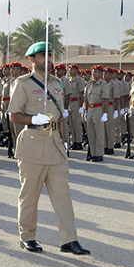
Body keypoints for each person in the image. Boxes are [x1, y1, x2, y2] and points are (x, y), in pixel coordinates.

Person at [8, 41, 89, 255]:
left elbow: (60, 115)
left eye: (49, 55)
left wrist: (64, 139)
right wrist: (33, 118)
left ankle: (69, 239)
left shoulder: (57, 84)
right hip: (33, 144)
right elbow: (14, 114)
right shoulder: (22, 83)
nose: (48, 59)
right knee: (29, 195)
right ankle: (27, 236)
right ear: (32, 59)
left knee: (63, 195)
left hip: (55, 144)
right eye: (42, 55)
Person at [83, 65, 109, 162]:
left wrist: (105, 113)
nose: (94, 73)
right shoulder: (89, 84)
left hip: (98, 109)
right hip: (90, 109)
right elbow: (86, 99)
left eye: (96, 72)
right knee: (90, 133)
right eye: (93, 71)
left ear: (101, 73)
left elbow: (106, 100)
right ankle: (92, 153)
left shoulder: (103, 84)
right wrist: (85, 111)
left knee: (99, 133)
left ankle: (99, 154)